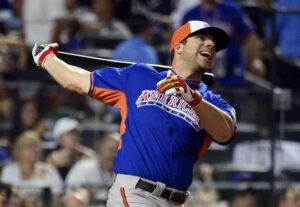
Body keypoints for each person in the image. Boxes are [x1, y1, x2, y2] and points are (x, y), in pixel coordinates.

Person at [31, 20, 236, 206]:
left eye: (213, 44)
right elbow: (78, 80)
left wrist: (193, 98)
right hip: (136, 195)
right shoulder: (139, 77)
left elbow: (225, 133)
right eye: (201, 38)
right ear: (179, 47)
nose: (210, 45)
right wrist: (46, 58)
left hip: (177, 200)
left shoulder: (212, 102)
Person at [182, 0, 266, 87]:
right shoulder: (191, 14)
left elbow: (249, 35)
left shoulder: (232, 10)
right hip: (202, 73)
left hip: (231, 70)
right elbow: (183, 42)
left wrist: (254, 60)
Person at [1, 130, 63, 206]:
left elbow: (59, 193)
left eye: (37, 146)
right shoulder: (9, 170)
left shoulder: (49, 170)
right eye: (30, 146)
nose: (35, 150)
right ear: (19, 150)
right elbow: (6, 195)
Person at [64, 132, 120, 207]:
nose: (114, 155)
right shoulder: (83, 168)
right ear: (101, 150)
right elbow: (70, 197)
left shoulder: (127, 173)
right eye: (111, 150)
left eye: (118, 151)